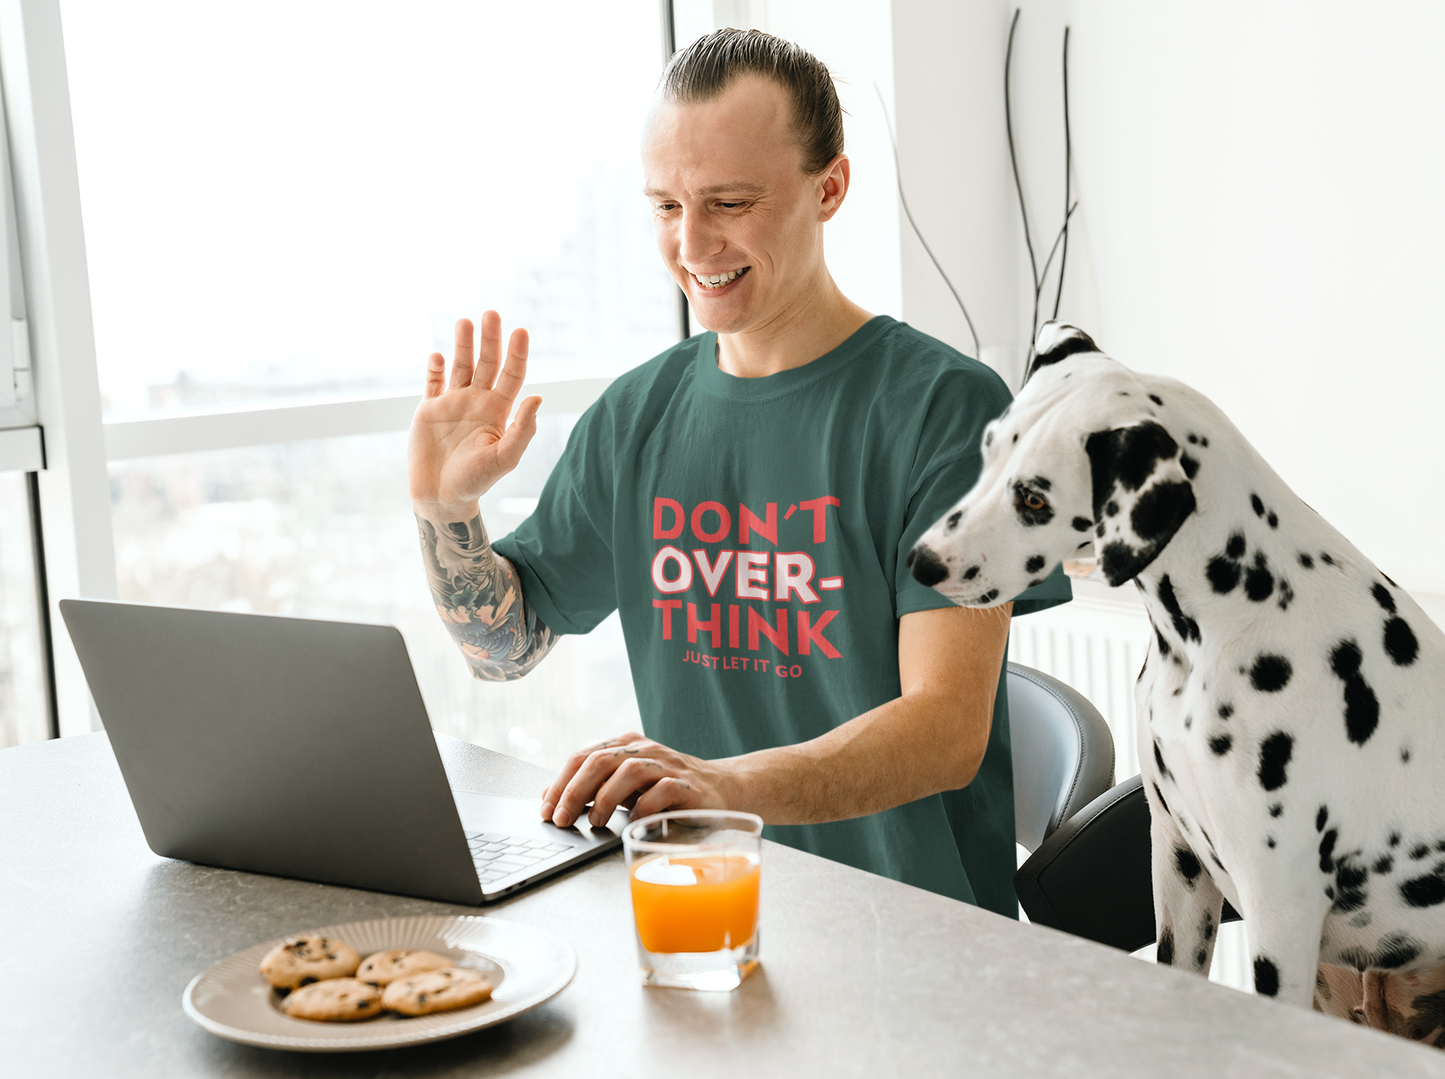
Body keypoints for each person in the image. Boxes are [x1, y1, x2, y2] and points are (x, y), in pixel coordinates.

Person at [407, 28, 1069, 916]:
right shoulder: (637, 415)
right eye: (666, 207)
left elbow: (944, 731)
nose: (693, 244)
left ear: (828, 187)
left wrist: (718, 785)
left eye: (729, 201)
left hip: (913, 934)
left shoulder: (948, 410)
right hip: (716, 915)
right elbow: (506, 644)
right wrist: (444, 509)